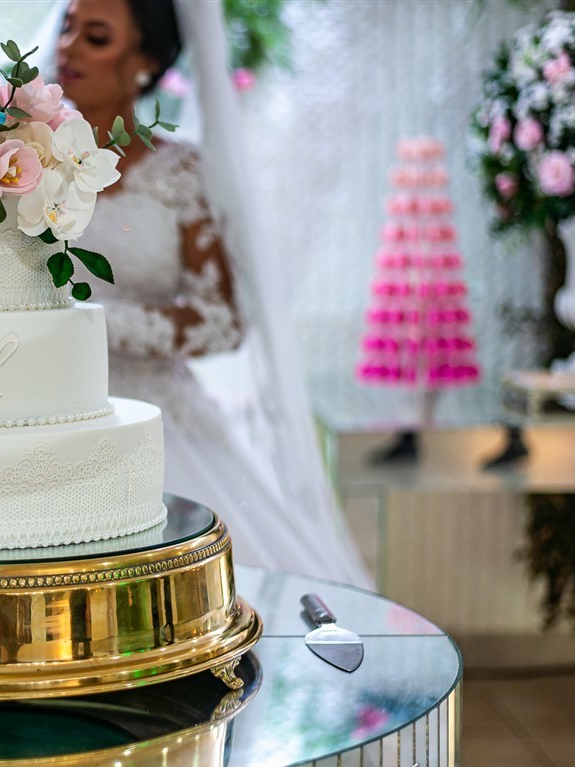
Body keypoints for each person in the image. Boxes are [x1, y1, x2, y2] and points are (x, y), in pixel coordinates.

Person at [56, 0, 372, 586]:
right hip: (38, 416)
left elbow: (220, 323)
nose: (68, 47)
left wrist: (88, 324)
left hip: (156, 426)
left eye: (95, 36)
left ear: (143, 63)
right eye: (67, 27)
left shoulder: (179, 175)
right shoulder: (17, 165)